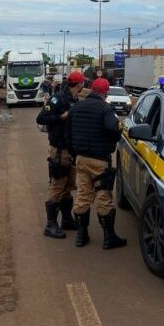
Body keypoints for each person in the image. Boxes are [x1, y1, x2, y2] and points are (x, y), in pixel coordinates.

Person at [66, 77, 125, 249]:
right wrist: (113, 140)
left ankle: (81, 236)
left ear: (91, 90)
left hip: (81, 159)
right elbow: (114, 128)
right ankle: (109, 238)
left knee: (83, 196)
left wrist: (73, 153)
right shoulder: (106, 108)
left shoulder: (76, 107)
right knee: (103, 197)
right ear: (105, 92)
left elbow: (68, 134)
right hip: (100, 161)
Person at [36, 71, 85, 239]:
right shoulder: (58, 98)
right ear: (79, 84)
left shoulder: (74, 99)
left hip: (69, 151)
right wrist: (61, 117)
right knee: (57, 186)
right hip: (59, 150)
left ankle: (66, 219)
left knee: (67, 186)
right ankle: (50, 224)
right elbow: (41, 118)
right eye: (82, 83)